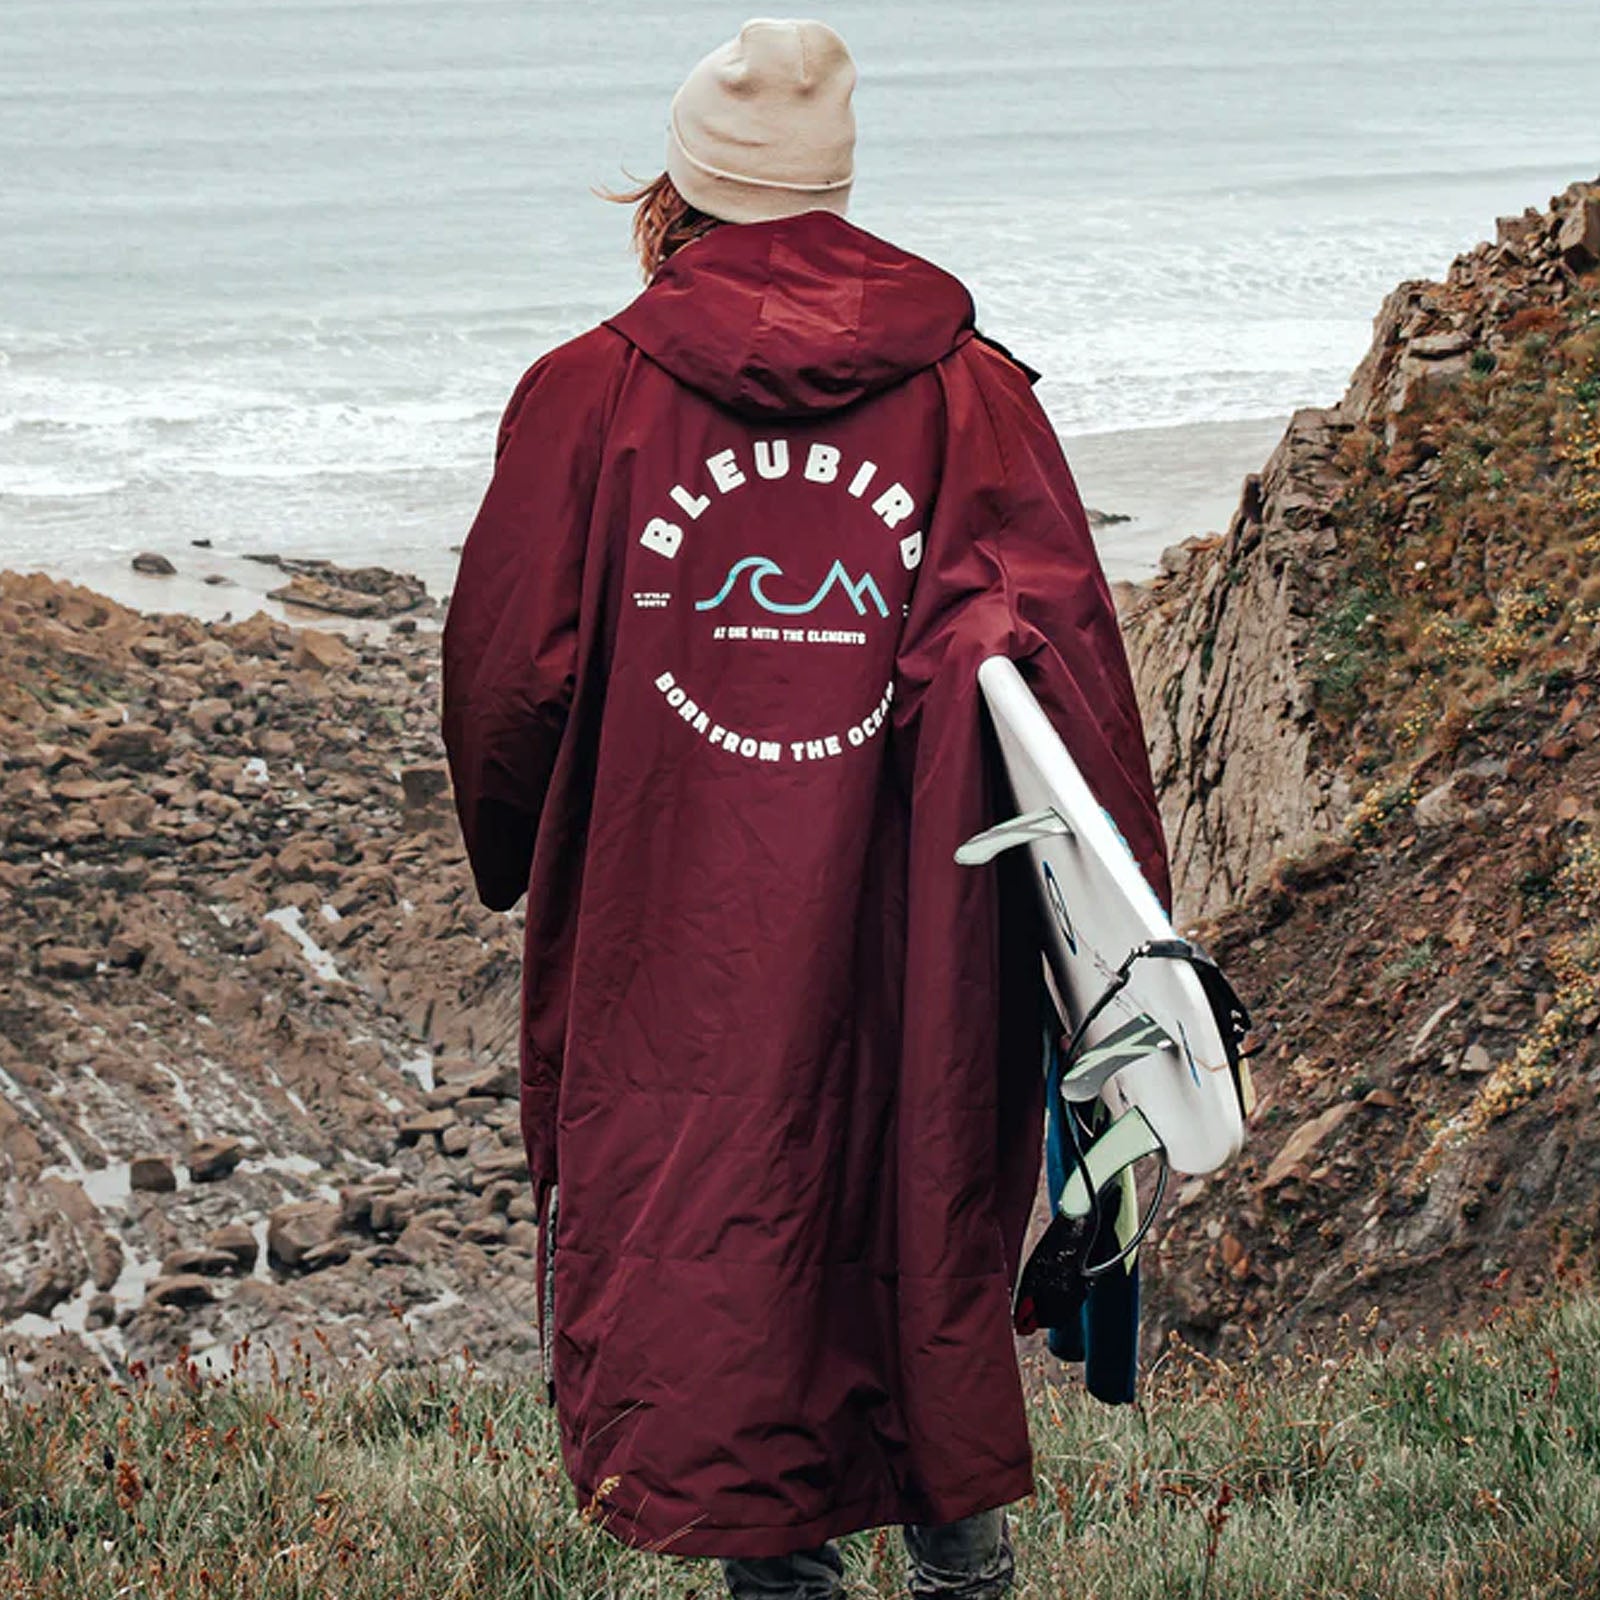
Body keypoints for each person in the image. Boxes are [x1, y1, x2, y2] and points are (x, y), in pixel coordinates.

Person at [441, 19, 1170, 1599]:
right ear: (834, 187)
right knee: (916, 1224)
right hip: (922, 931)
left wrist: (512, 845)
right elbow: (1075, 675)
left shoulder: (586, 396)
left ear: (680, 192)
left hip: (676, 931)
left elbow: (507, 682)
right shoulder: (975, 394)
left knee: (717, 1252)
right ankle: (965, 1576)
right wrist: (1123, 941)